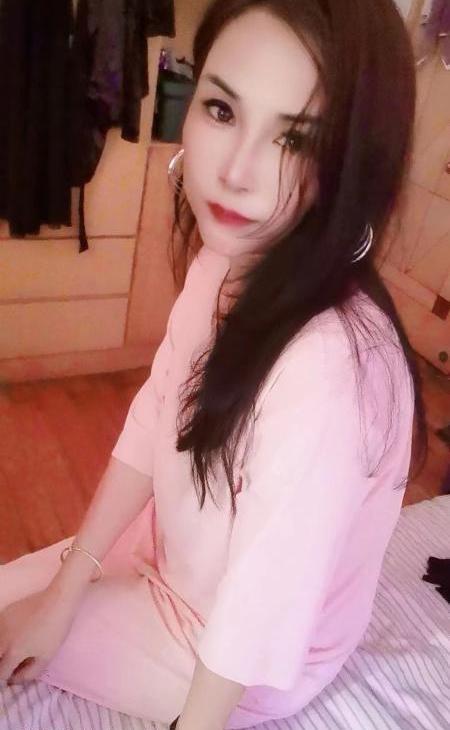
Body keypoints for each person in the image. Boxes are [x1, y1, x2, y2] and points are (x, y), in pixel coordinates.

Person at [0, 1, 428, 729]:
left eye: (295, 139)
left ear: (355, 161)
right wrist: (69, 585)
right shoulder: (226, 260)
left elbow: (261, 603)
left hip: (232, 650)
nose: (234, 172)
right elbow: (157, 414)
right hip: (174, 552)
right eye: (223, 110)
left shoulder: (329, 369)